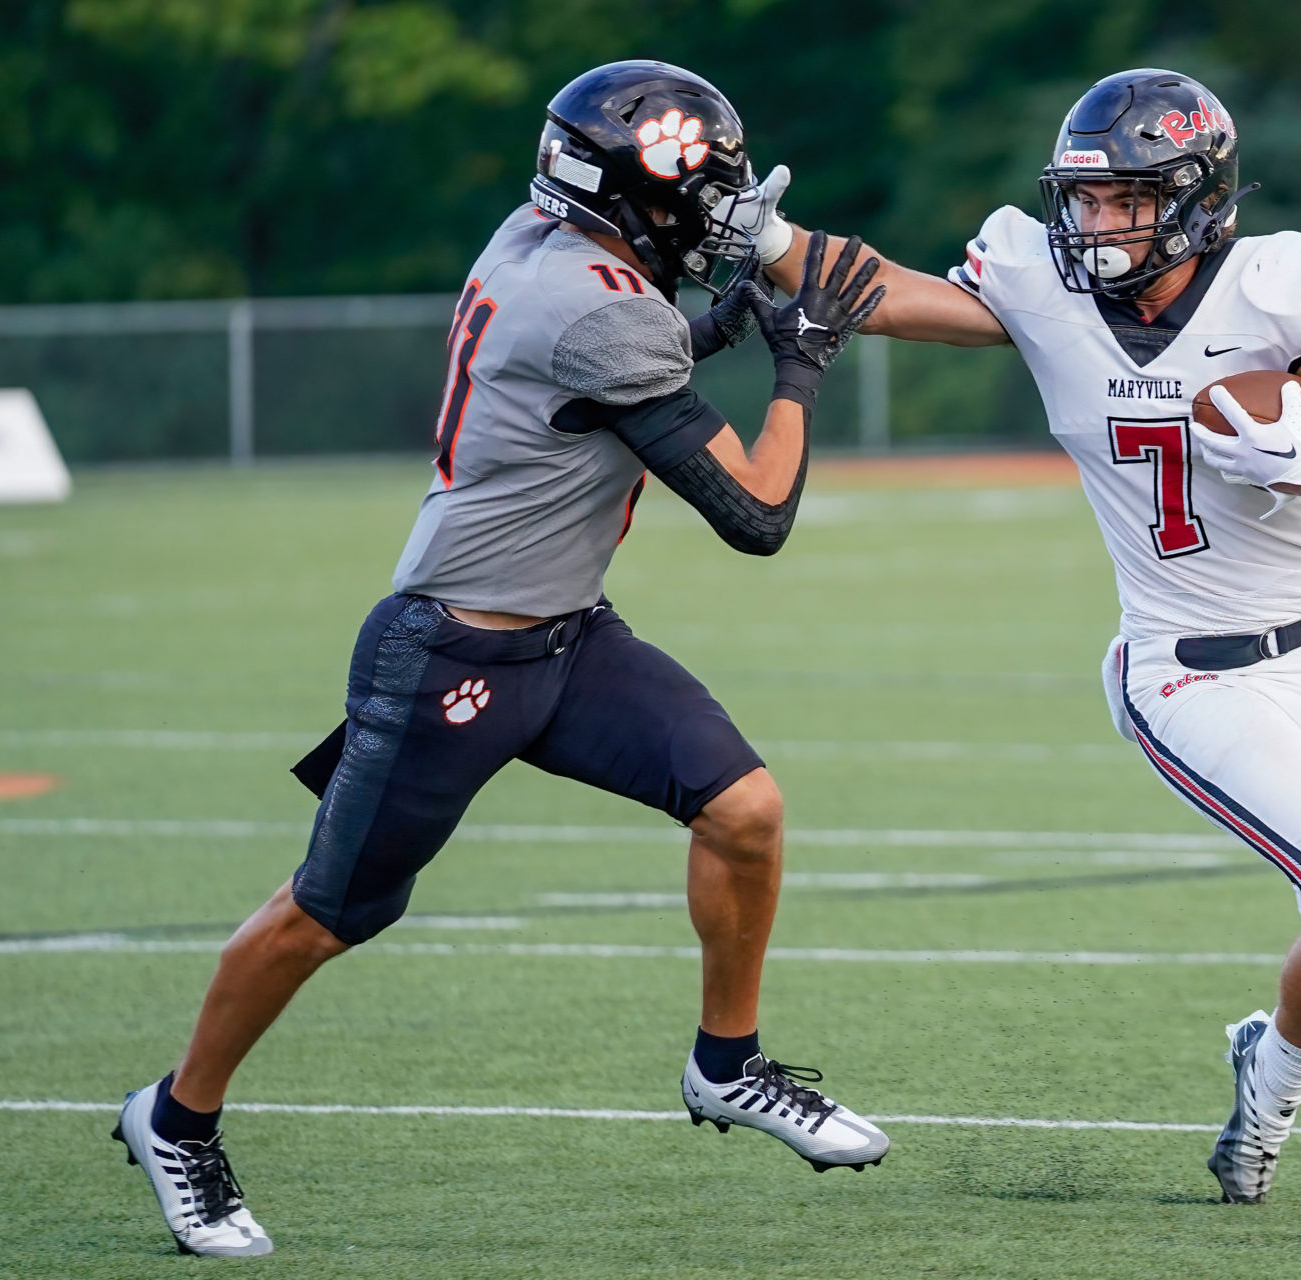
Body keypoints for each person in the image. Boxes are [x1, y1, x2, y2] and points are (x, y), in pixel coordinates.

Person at [712, 67, 1301, 1219]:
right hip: (1182, 666)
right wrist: (772, 241)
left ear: (1198, 197)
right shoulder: (1041, 284)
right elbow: (894, 292)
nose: (1097, 224)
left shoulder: (1281, 291)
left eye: (1127, 201)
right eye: (1087, 200)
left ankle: (1266, 1084)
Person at [112, 60, 889, 1259]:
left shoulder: (538, 239)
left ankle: (724, 1064)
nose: (722, 216)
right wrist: (802, 361)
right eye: (701, 193)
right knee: (328, 911)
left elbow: (607, 368)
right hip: (453, 653)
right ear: (632, 198)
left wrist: (727, 320)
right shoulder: (601, 305)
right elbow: (758, 513)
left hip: (568, 636)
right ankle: (174, 1116)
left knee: (744, 811)